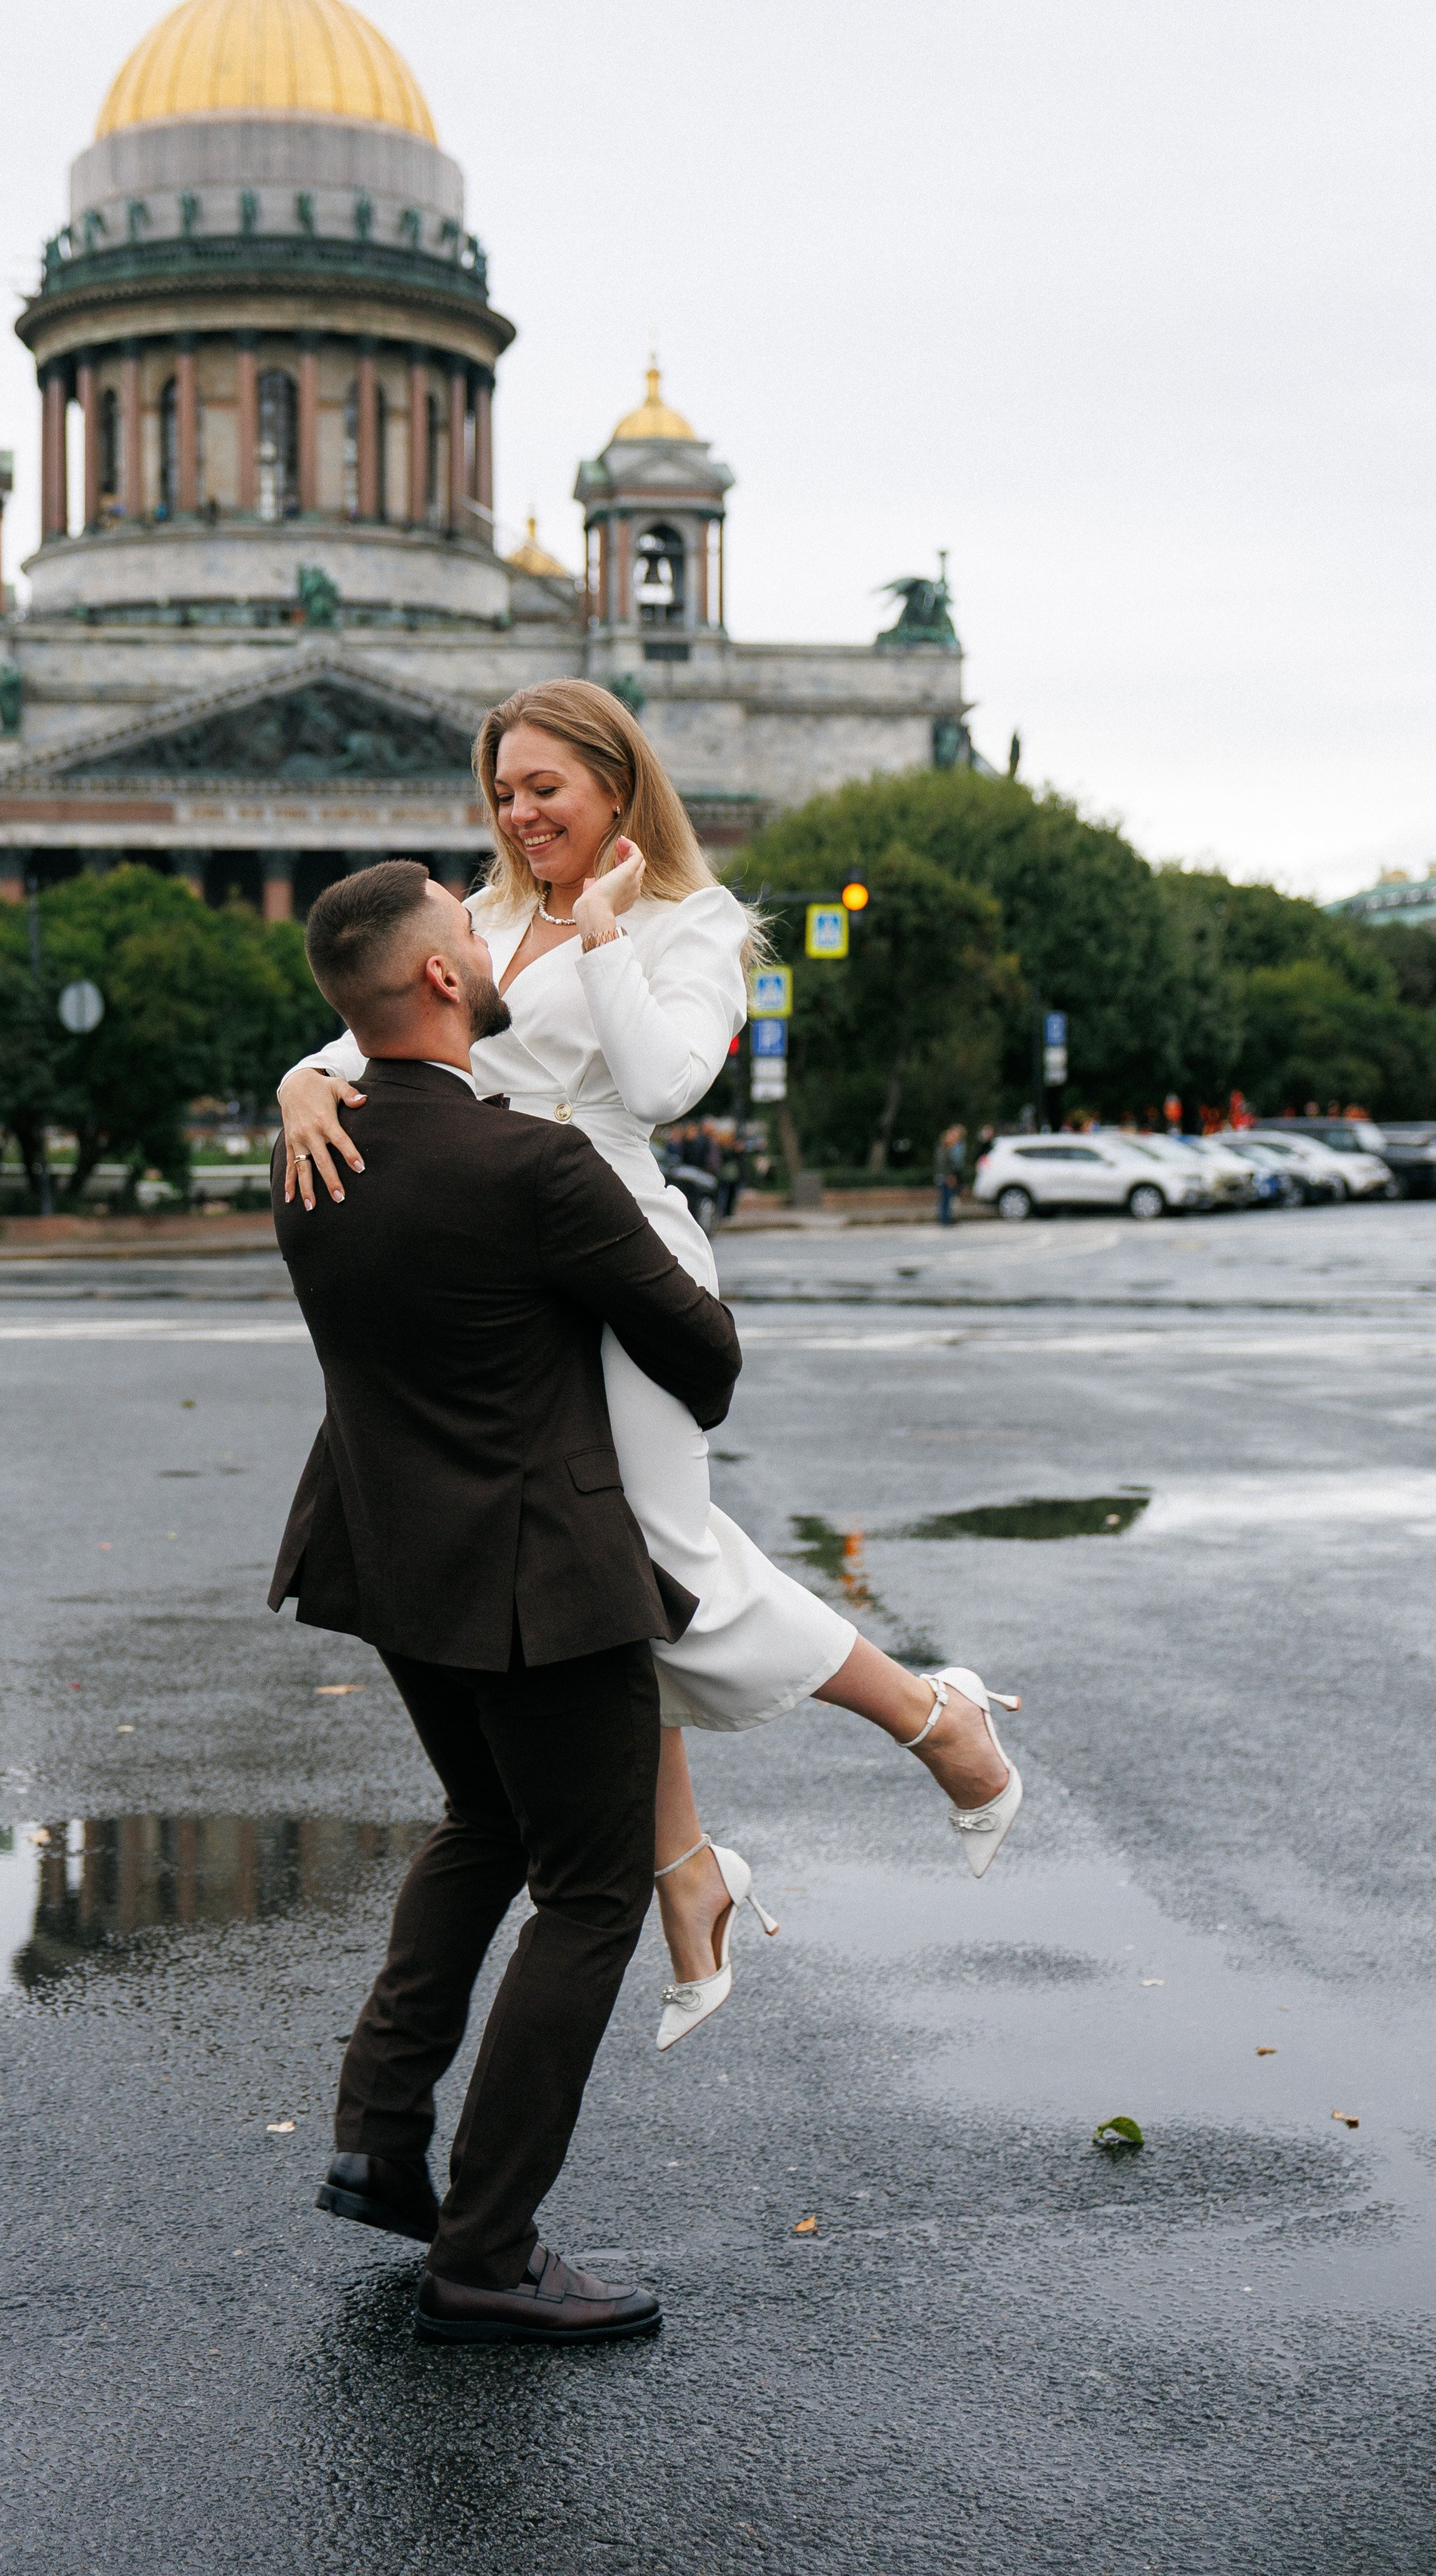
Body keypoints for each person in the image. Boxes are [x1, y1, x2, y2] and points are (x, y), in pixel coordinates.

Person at [278, 682, 1022, 2049]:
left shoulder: (700, 926)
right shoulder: (485, 921)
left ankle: (934, 1721)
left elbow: (668, 1085)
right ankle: (690, 1871)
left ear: (618, 785)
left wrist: (609, 934)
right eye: (503, 791)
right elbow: (370, 1030)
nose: (520, 814)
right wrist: (298, 1082)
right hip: (515, 1275)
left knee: (663, 1559)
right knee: (595, 1587)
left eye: (545, 788)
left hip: (624, 1251)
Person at [274, 859, 744, 2345]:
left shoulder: (311, 1148)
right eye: (462, 929)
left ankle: (375, 2133)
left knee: (483, 1824)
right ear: (433, 981)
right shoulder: (530, 1169)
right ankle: (485, 2249)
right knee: (593, 1891)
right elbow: (703, 1359)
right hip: (541, 1581)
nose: (486, 940)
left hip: (390, 1560)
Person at [934, 1121, 967, 1225]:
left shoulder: (947, 1149)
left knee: (948, 1198)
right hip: (945, 1177)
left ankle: (947, 1218)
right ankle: (945, 1219)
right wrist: (949, 1176)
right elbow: (944, 1165)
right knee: (945, 1198)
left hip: (946, 1176)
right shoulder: (943, 1149)